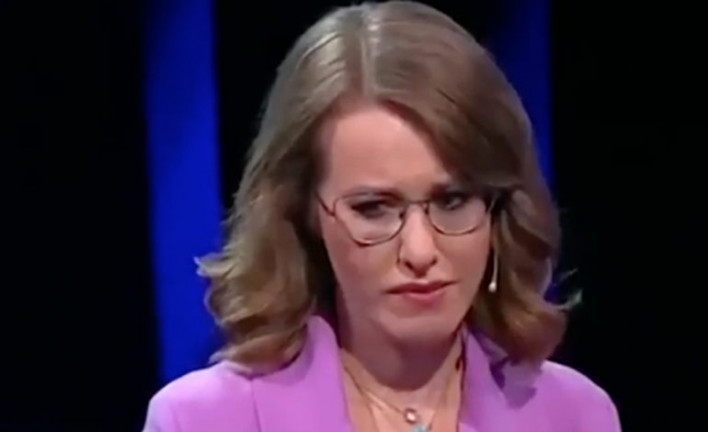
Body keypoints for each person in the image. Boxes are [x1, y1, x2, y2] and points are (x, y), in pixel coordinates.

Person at [142, 1, 621, 431]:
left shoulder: (576, 415)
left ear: (498, 207)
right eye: (373, 208)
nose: (420, 251)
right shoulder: (199, 420)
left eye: (452, 201)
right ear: (306, 213)